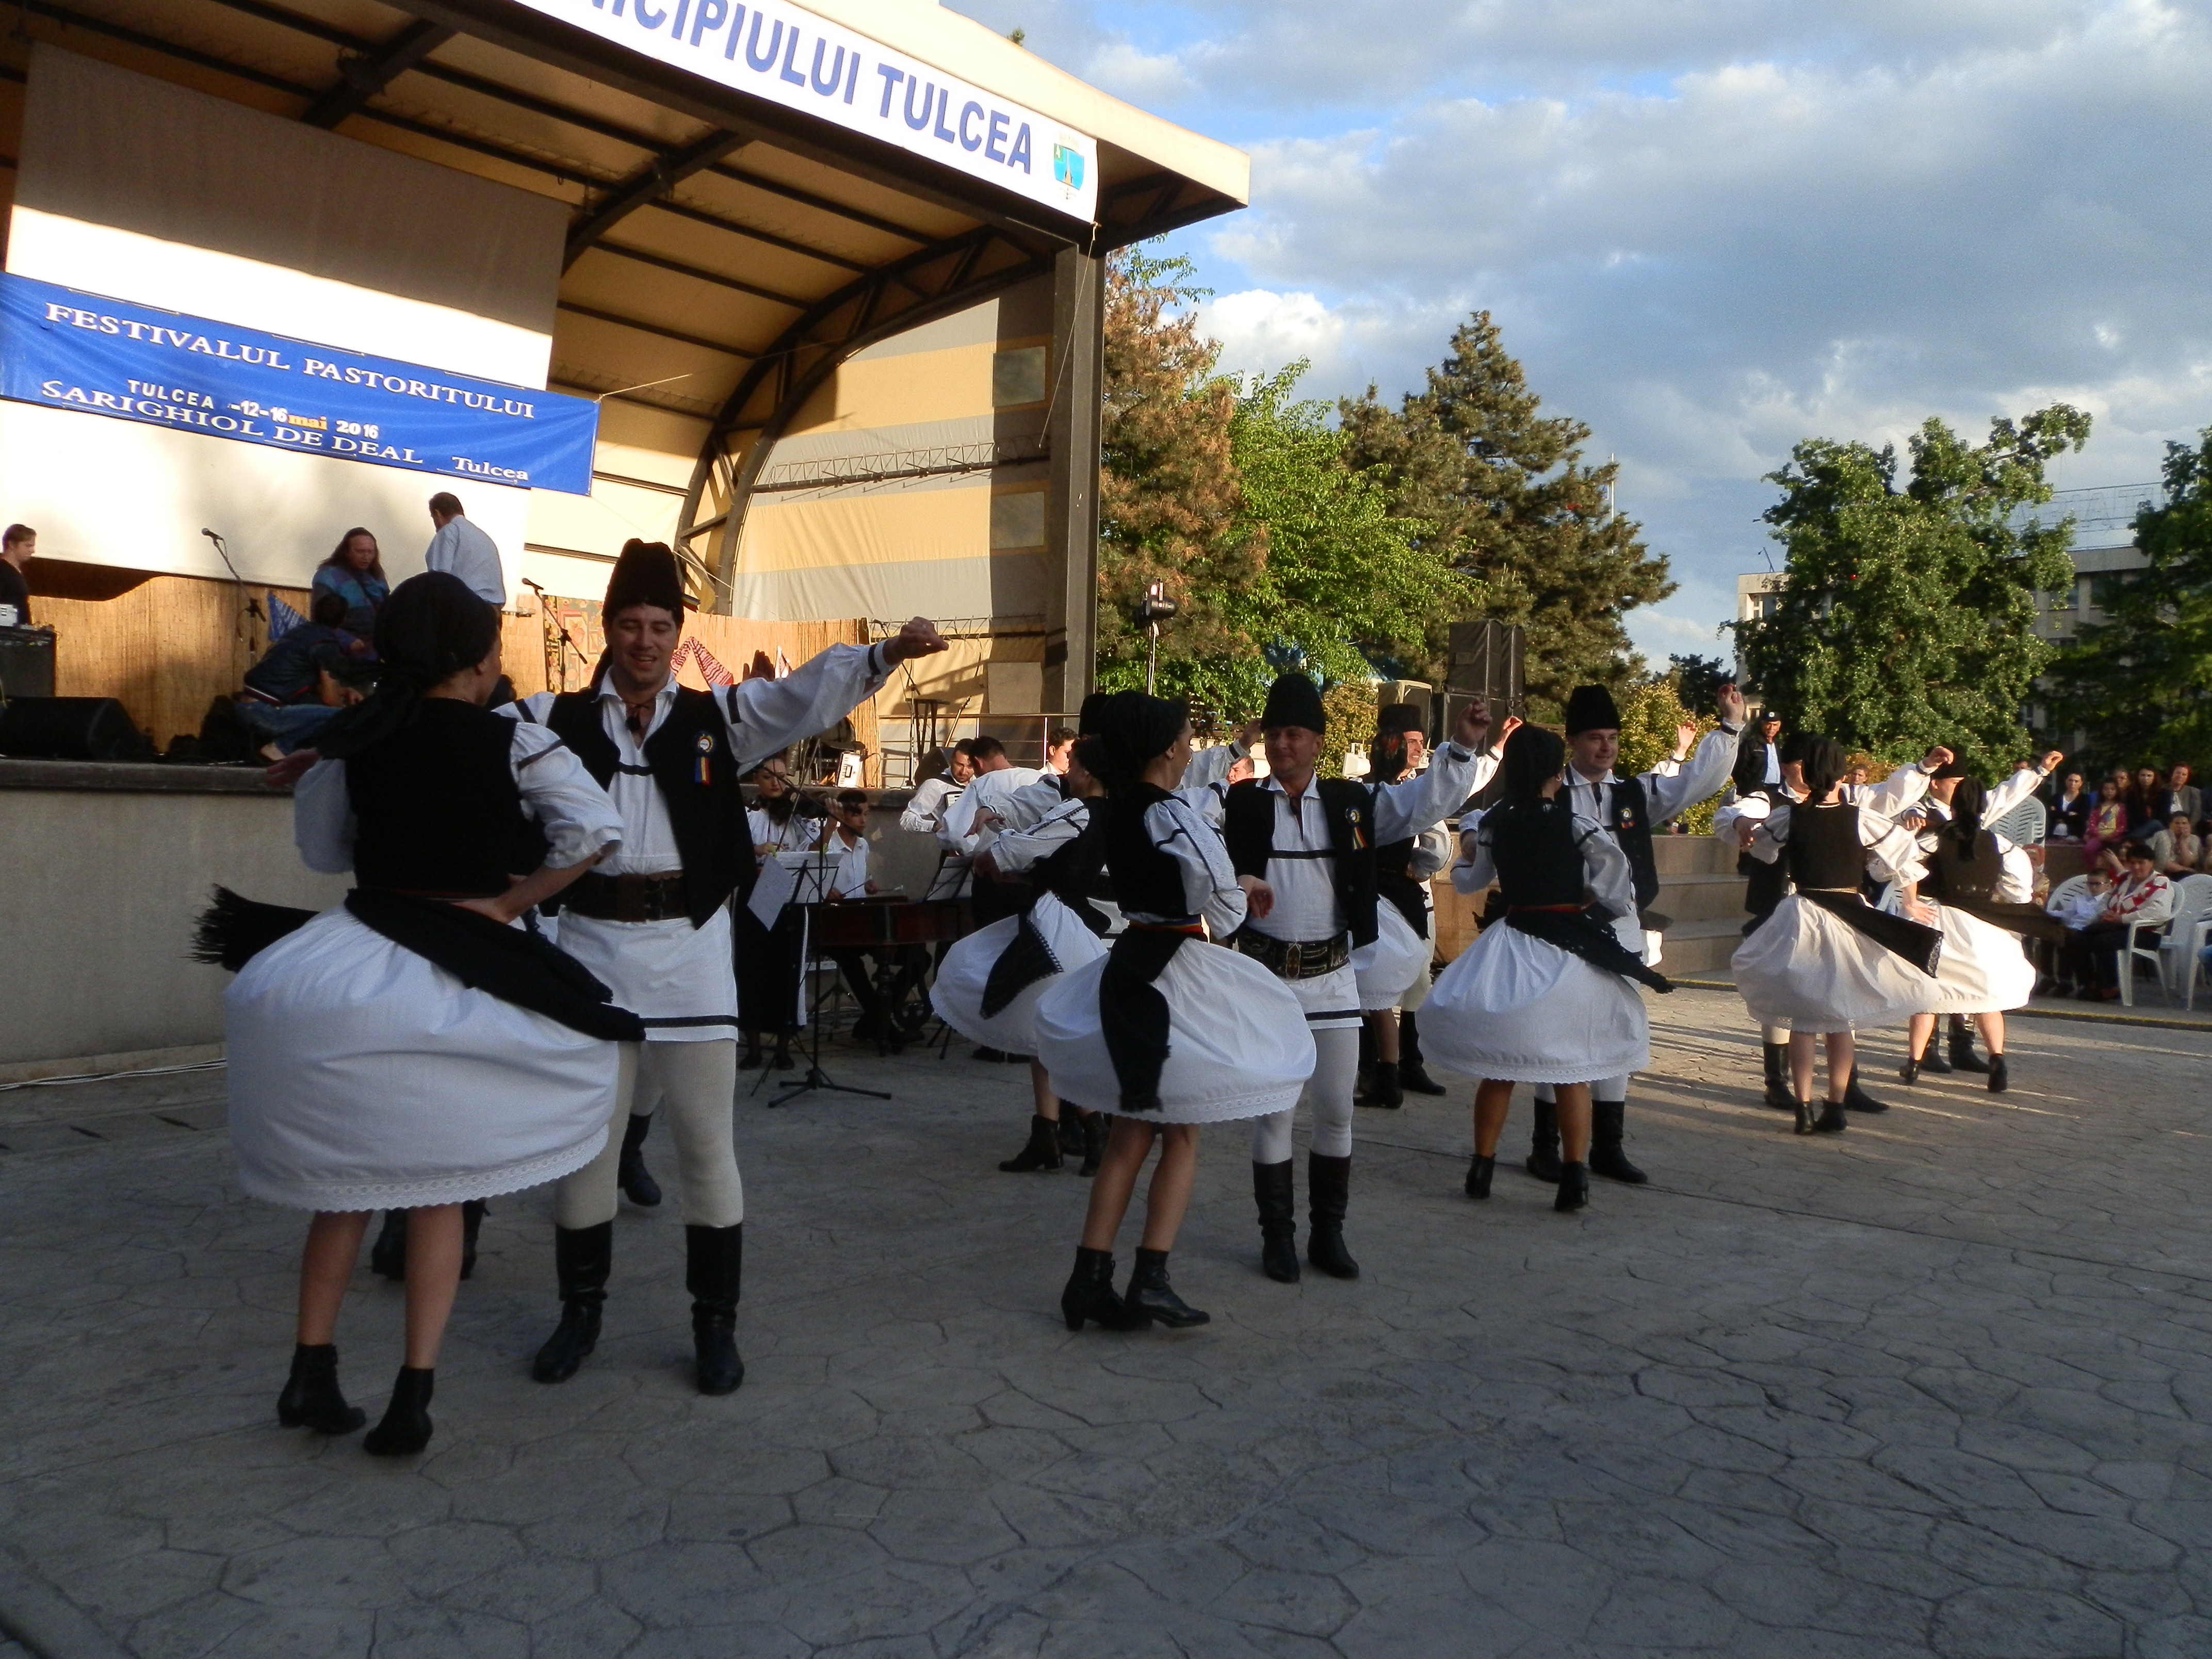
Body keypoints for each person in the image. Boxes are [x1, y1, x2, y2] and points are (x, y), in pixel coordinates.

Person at [504, 540, 945, 1396]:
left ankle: (715, 1326)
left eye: (659, 626)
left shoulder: (717, 720)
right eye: (629, 625)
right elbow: (453, 739)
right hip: (590, 951)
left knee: (706, 1147)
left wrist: (885, 653)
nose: (644, 641)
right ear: (608, 629)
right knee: (588, 1151)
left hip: (692, 955)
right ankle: (579, 1314)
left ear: (678, 633)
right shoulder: (550, 718)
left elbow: (800, 696)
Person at [212, 571, 635, 1457]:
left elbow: (325, 852)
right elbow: (596, 831)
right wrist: (511, 902)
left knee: (343, 1193)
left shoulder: (352, 741)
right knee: (439, 1190)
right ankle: (413, 1393)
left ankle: (310, 1368)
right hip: (453, 973)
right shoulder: (517, 742)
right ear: (480, 662)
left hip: (354, 967)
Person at [1194, 671, 1495, 1285]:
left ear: (1318, 742)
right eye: (1276, 733)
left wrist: (1462, 748)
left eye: (1295, 734)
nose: (1283, 744)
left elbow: (1423, 803)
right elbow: (1181, 821)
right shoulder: (1238, 803)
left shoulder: (1351, 803)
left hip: (1332, 977)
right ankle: (1277, 1238)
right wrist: (1231, 882)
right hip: (1266, 981)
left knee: (1336, 1112)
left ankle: (1328, 1236)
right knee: (1275, 1113)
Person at [1036, 692, 1314, 1331]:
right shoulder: (1172, 811)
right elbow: (1223, 906)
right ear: (1167, 746)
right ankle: (1150, 1280)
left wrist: (1224, 888)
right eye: (1188, 735)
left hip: (1131, 962)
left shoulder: (1116, 805)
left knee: (1130, 1132)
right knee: (1180, 1131)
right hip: (1173, 972)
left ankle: (1089, 1280)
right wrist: (1238, 892)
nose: (1192, 744)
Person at [1424, 725, 1672, 1211]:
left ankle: (1482, 1166)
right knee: (1570, 1072)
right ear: (1557, 773)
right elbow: (1617, 883)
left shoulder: (1496, 823)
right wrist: (1591, 899)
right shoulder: (1577, 824)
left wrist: (1465, 858)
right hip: (1565, 950)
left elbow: (1471, 880)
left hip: (1512, 944)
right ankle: (1574, 1178)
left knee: (1498, 1070)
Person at [1525, 681, 1745, 1184]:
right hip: (1560, 928)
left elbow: (1696, 781)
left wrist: (1729, 728)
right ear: (1572, 742)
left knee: (1617, 1029)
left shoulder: (1634, 793)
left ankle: (1609, 1147)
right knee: (1556, 1033)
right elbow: (1490, 820)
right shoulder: (1547, 792)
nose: (1606, 748)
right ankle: (1545, 1147)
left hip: (1621, 927)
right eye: (1594, 738)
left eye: (1612, 738)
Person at [1731, 736, 1941, 1134]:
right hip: (1847, 915)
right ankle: (1837, 1105)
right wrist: (1909, 899)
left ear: (1807, 775)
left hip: (1802, 915)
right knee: (1841, 1019)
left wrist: (1744, 825)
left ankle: (1803, 1108)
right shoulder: (1861, 818)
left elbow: (1761, 850)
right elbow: (1905, 856)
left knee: (1804, 1019)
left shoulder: (1789, 817)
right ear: (1842, 775)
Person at [933, 716, 1114, 1176]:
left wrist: (992, 855)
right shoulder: (1113, 814)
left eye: (1075, 766)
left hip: (1055, 924)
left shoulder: (1078, 811)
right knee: (1041, 1027)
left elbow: (1024, 846)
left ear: (1087, 772)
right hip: (1070, 922)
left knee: (1038, 1019)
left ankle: (1091, 1133)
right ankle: (1049, 1136)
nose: (1069, 772)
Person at [1898, 773, 2068, 1094]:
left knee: (1928, 993)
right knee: (1987, 998)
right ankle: (1997, 1060)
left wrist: (1911, 901)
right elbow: (2019, 890)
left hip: (1941, 919)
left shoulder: (1933, 839)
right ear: (1983, 807)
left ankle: (1914, 1063)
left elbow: (1904, 862)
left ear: (1955, 805)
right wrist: (1998, 897)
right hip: (1982, 925)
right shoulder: (2001, 845)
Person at [1353, 703, 1468, 1106]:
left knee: (1382, 992)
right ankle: (1381, 1070)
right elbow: (1436, 845)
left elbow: (1436, 847)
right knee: (1378, 996)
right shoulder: (1400, 794)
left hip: (1387, 900)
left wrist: (1413, 868)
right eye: (1411, 742)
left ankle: (1393, 1068)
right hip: (1395, 900)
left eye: (1421, 742)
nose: (1418, 749)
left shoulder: (1381, 794)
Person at [736, 753, 823, 1069]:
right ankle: (754, 1047)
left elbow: (816, 848)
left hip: (790, 896)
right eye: (768, 777)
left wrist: (828, 824)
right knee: (753, 968)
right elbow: (727, 851)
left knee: (788, 966)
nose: (776, 783)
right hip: (756, 895)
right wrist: (754, 850)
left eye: (783, 777)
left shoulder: (798, 815)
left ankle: (784, 1046)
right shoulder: (747, 814)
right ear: (756, 780)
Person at [236, 593, 375, 755]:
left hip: (246, 707)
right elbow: (330, 699)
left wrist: (345, 691)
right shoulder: (325, 644)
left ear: (315, 613)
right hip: (266, 712)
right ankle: (280, 748)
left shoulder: (299, 633)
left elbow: (312, 684)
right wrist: (348, 714)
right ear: (344, 619)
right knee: (343, 717)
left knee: (320, 709)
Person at [2059, 841, 2174, 1000]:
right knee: (2077, 939)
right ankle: (2089, 983)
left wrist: (2122, 919)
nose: (2136, 867)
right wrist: (2105, 914)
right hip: (2115, 927)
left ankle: (2110, 987)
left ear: (2151, 863)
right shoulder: (2124, 878)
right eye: (2132, 863)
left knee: (2104, 941)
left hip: (2145, 933)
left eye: (2141, 863)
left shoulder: (2161, 883)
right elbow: (2106, 900)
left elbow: (2159, 913)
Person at [424, 492, 505, 606]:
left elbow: (441, 578)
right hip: (493, 609)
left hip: (465, 606)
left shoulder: (449, 531)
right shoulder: (483, 537)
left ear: (437, 514)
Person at [312, 528, 389, 639]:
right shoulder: (328, 577)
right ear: (346, 552)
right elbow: (320, 619)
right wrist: (347, 641)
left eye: (370, 552)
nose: (366, 557)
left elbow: (387, 608)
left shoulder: (376, 575)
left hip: (375, 642)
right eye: (360, 552)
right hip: (342, 644)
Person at [2084, 776, 2129, 874]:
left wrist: (2113, 835)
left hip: (2115, 838)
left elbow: (2123, 825)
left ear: (2117, 791)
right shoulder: (2097, 807)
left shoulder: (2121, 807)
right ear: (2102, 791)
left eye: (2112, 789)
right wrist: (2098, 835)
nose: (2109, 792)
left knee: (2114, 856)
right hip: (2098, 837)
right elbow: (2092, 823)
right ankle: (2092, 871)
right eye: (2106, 789)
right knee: (2088, 849)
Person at [1732, 710, 1783, 795]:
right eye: (1768, 724)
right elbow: (1738, 769)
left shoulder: (1778, 745)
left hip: (1775, 791)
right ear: (1762, 724)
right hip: (1755, 791)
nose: (1771, 728)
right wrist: (1746, 787)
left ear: (1779, 727)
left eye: (1775, 725)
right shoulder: (1751, 744)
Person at [0, 523, 35, 627]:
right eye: (28, 546)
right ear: (11, 545)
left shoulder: (15, 572)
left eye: (33, 546)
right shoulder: (3, 571)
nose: (32, 551)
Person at [2150, 812, 2203, 879]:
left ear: (2190, 825)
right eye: (2177, 823)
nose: (2181, 826)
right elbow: (2164, 863)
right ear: (2170, 825)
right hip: (2162, 874)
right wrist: (2188, 870)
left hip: (2186, 875)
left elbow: (2188, 863)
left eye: (2184, 823)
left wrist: (2183, 842)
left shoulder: (2195, 839)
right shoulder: (2162, 836)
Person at [2157, 763, 2202, 832]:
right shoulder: (2161, 790)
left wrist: (2187, 827)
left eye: (2184, 775)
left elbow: (2197, 813)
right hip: (2166, 828)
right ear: (2172, 774)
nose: (2180, 776)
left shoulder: (2194, 792)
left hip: (2188, 828)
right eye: (2178, 773)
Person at [2047, 772, 2088, 841]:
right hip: (2053, 835)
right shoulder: (2056, 798)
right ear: (2066, 781)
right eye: (2071, 780)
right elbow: (2051, 814)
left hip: (2074, 835)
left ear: (2081, 783)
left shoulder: (2084, 799)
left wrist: (2060, 816)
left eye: (2076, 781)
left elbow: (2082, 818)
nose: (2073, 784)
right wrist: (2068, 814)